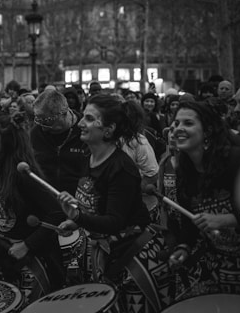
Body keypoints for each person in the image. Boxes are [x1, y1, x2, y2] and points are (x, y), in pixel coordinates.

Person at [57, 94, 173, 313]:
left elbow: (114, 221)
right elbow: (98, 206)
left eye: (90, 119)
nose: (81, 123)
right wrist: (76, 223)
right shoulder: (89, 158)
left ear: (108, 130)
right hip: (111, 254)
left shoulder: (121, 168)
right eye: (83, 117)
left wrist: (78, 217)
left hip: (136, 258)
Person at [0, 111, 65, 302]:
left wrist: (26, 245)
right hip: (8, 255)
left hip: (37, 258)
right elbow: (4, 213)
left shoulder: (22, 175)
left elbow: (56, 213)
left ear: (6, 141)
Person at [167, 101, 240, 297]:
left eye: (188, 123)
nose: (178, 129)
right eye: (176, 123)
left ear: (207, 131)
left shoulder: (236, 160)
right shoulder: (184, 171)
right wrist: (184, 247)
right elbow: (190, 222)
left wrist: (226, 219)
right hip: (215, 263)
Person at [30, 89, 88, 196]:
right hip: (45, 199)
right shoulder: (36, 132)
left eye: (48, 121)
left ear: (64, 113)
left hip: (77, 201)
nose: (44, 128)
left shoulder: (84, 131)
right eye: (39, 121)